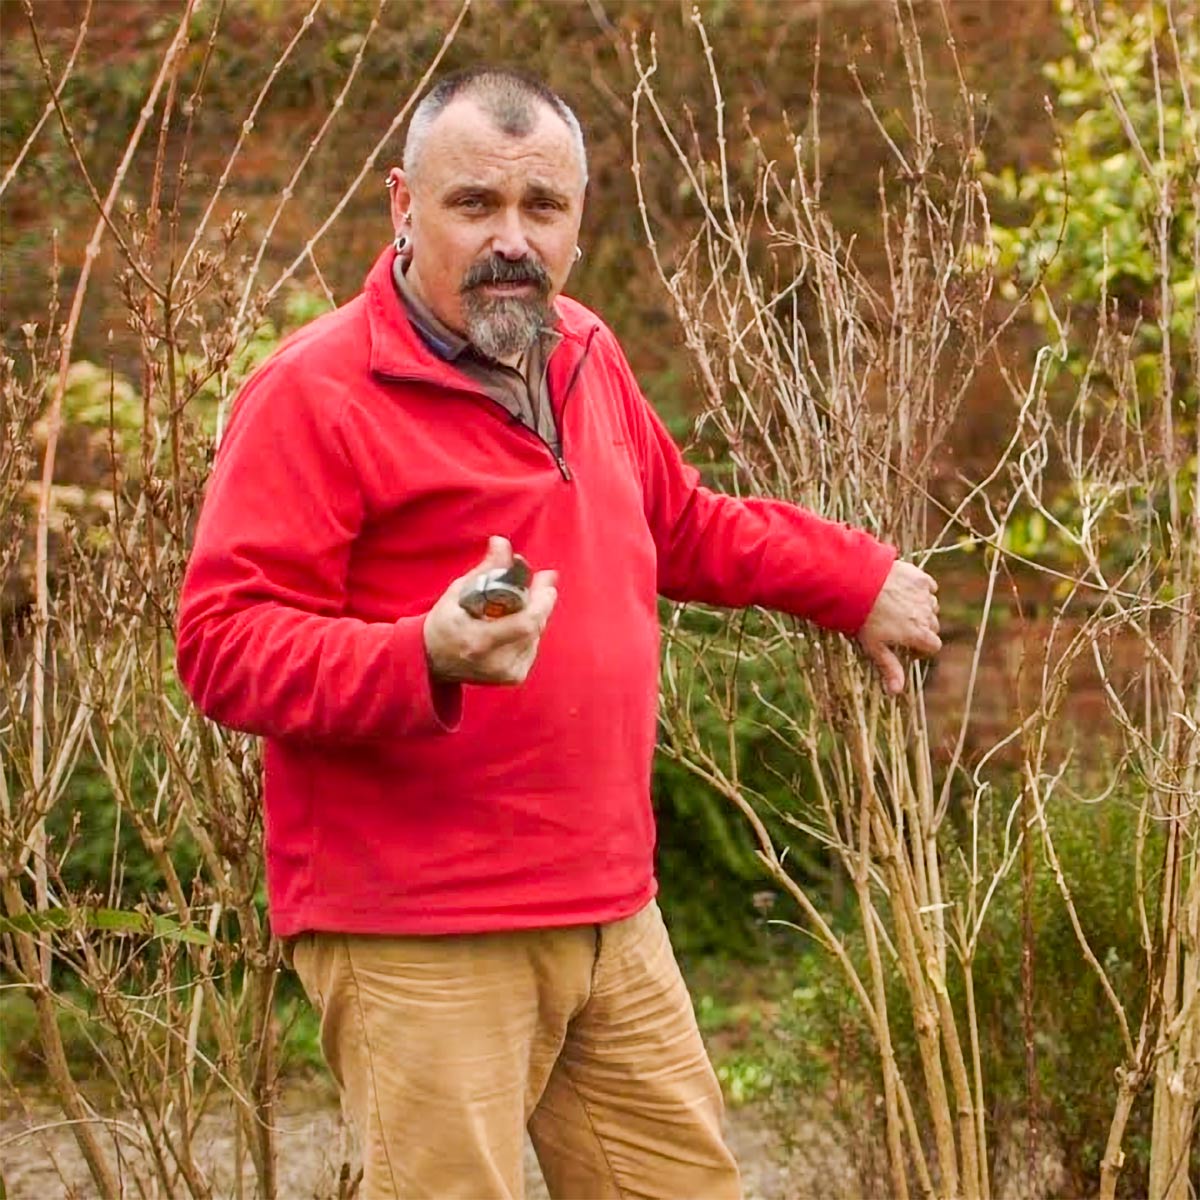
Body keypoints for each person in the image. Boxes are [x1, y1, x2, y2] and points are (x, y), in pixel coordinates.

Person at [176, 67, 940, 1200]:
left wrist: (850, 576)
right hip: (422, 931)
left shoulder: (581, 348)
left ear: (579, 218)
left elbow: (676, 524)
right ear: (401, 204)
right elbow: (222, 643)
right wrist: (419, 654)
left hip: (608, 911)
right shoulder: (314, 394)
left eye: (544, 210)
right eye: (474, 205)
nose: (512, 241)